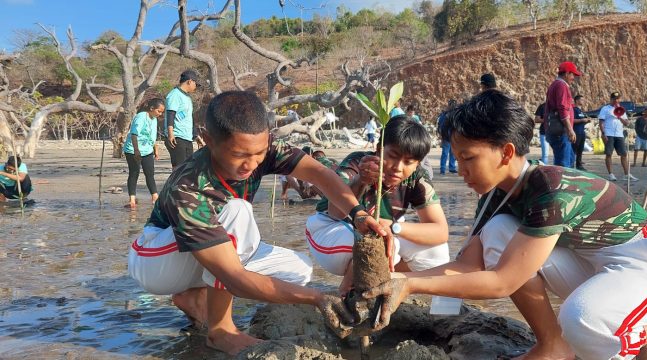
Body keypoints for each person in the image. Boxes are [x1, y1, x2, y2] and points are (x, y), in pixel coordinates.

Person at [365, 90, 647, 360]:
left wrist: (409, 285)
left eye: (468, 158)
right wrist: (397, 279)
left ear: (506, 152)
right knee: (498, 231)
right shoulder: (497, 197)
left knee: (582, 319)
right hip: (594, 264)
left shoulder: (550, 189)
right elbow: (467, 265)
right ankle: (553, 344)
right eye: (456, 157)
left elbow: (501, 283)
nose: (461, 170)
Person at [128, 91, 386, 355]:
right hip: (156, 261)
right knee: (236, 211)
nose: (250, 165)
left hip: (203, 249)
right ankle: (221, 331)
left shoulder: (263, 148)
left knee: (298, 270)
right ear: (207, 140)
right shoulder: (189, 187)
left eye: (259, 154)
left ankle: (196, 298)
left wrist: (358, 214)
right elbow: (236, 279)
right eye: (239, 155)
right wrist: (317, 298)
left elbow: (319, 174)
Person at [306, 116, 449, 293]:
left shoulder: (417, 178)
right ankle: (348, 295)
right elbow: (335, 212)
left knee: (438, 251)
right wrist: (360, 181)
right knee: (379, 240)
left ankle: (392, 287)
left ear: (418, 163)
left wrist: (394, 226)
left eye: (408, 162)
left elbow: (440, 232)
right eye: (393, 156)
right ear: (379, 149)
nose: (398, 167)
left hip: (387, 230)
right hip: (330, 229)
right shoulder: (359, 163)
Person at [123, 98, 165, 208]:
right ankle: (132, 200)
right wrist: (136, 151)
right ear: (151, 109)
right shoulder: (141, 117)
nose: (160, 114)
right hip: (133, 149)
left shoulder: (154, 118)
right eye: (159, 111)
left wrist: (155, 149)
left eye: (161, 112)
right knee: (134, 173)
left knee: (150, 173)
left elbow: (152, 136)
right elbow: (134, 134)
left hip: (147, 150)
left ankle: (155, 197)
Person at [544, 61, 580, 168]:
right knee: (563, 165)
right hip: (560, 131)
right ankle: (560, 184)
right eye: (572, 74)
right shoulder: (561, 85)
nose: (573, 78)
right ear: (566, 73)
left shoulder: (556, 85)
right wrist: (570, 129)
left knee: (569, 160)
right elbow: (563, 109)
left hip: (558, 130)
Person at [599, 91, 638, 181]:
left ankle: (626, 174)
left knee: (623, 154)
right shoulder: (605, 109)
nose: (616, 100)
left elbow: (627, 123)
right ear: (611, 99)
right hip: (609, 133)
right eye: (614, 99)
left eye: (618, 99)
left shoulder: (621, 109)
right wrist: (603, 133)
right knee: (609, 154)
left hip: (619, 134)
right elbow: (601, 122)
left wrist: (619, 116)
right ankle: (611, 174)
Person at [164, 69, 199, 169]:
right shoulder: (174, 95)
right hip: (177, 137)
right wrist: (171, 134)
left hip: (187, 137)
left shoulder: (187, 98)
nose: (195, 87)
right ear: (190, 81)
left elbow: (189, 118)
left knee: (188, 168)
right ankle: (175, 185)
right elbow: (171, 114)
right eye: (195, 83)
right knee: (179, 168)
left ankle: (182, 185)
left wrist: (196, 136)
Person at [438, 99, 458, 175]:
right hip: (449, 136)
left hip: (449, 136)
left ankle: (447, 168)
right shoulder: (448, 114)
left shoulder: (445, 114)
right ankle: (447, 168)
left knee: (449, 153)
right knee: (447, 153)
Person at [572, 95, 590, 171]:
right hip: (576, 132)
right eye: (581, 100)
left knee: (580, 150)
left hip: (582, 132)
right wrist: (582, 120)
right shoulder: (573, 110)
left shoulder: (581, 111)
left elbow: (581, 121)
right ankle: (571, 165)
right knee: (574, 149)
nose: (583, 101)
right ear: (576, 101)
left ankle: (579, 165)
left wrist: (586, 121)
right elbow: (571, 120)